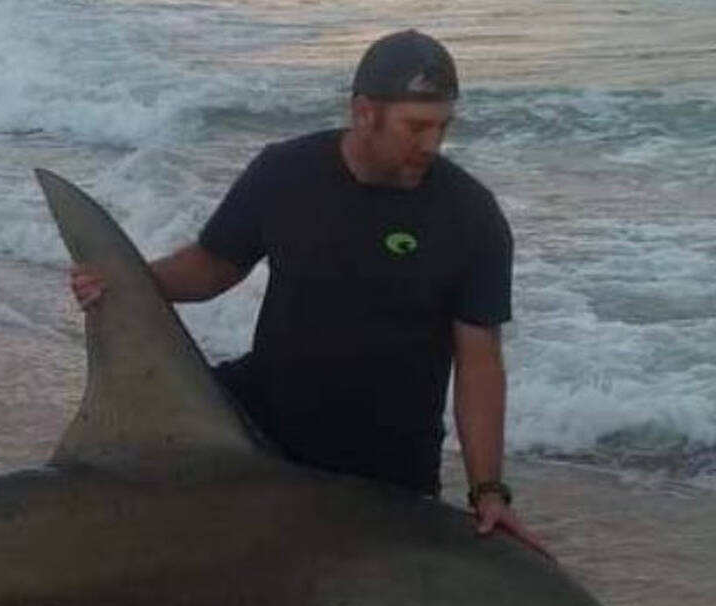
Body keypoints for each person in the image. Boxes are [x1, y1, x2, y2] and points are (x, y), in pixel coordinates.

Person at [72, 29, 543, 551]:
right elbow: (210, 269)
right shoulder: (285, 173)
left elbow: (479, 364)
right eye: (416, 127)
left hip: (386, 469)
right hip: (261, 431)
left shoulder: (470, 216)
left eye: (443, 127)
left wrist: (489, 491)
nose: (432, 145)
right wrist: (127, 284)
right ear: (364, 112)